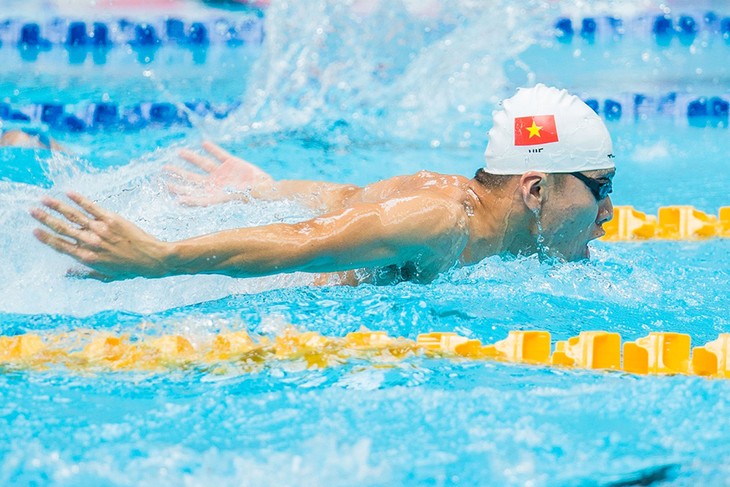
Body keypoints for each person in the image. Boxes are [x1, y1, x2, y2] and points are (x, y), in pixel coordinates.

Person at [30, 84, 615, 284]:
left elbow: (347, 202)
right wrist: (160, 258)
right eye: (600, 188)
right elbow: (306, 241)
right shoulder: (440, 220)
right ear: (535, 191)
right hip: (247, 285)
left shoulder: (462, 211)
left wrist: (263, 188)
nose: (608, 212)